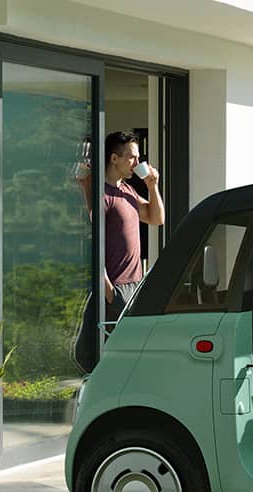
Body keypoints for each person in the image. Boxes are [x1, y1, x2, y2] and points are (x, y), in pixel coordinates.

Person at [72, 130, 164, 372]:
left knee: (130, 358)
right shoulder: (101, 195)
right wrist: (109, 291)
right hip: (115, 288)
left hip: (133, 286)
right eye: (132, 157)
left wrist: (152, 186)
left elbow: (157, 218)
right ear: (114, 159)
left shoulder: (127, 191)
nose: (137, 162)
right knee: (99, 357)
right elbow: (94, 243)